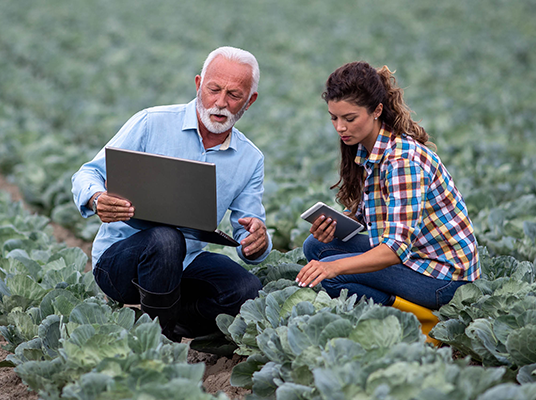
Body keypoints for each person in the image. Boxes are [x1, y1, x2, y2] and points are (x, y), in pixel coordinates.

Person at [71, 46, 272, 342]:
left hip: (184, 265)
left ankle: (163, 318)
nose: (220, 103)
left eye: (234, 95)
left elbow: (249, 226)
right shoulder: (152, 123)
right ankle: (161, 341)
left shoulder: (250, 158)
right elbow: (87, 173)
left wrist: (257, 241)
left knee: (247, 290)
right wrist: (97, 198)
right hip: (121, 263)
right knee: (166, 238)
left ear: (250, 101)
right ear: (198, 84)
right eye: (213, 89)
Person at [296, 62, 480, 339]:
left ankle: (423, 323)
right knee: (317, 245)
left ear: (377, 111)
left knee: (334, 275)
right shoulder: (370, 148)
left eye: (349, 118)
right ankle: (402, 309)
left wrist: (333, 266)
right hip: (416, 259)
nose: (340, 127)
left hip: (444, 278)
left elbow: (393, 249)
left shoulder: (401, 161)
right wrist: (341, 222)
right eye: (333, 118)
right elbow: (377, 216)